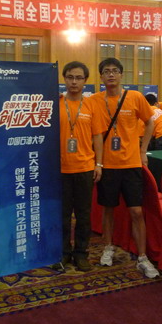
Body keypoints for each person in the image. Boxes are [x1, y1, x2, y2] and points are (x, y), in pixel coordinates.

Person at [90, 57, 160, 278]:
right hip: (107, 165)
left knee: (136, 211)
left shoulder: (135, 97)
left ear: (121, 75)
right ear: (101, 76)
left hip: (131, 163)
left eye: (115, 71)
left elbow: (150, 122)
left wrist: (143, 150)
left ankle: (142, 257)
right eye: (106, 71)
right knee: (108, 209)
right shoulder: (94, 100)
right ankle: (108, 247)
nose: (111, 74)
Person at [59, 61, 104, 271]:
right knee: (62, 215)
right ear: (64, 79)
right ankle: (63, 252)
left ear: (85, 81)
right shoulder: (56, 103)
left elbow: (97, 136)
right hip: (60, 169)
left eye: (78, 78)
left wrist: (99, 163)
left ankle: (81, 253)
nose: (74, 82)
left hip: (85, 167)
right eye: (70, 77)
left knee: (84, 215)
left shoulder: (91, 105)